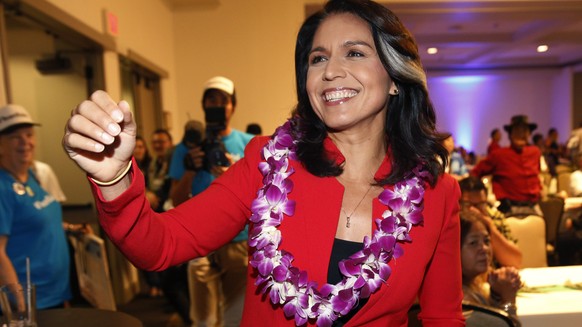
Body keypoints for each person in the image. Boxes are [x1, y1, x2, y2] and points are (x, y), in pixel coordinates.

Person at [61, 0, 464, 325]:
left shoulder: (437, 193)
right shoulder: (269, 164)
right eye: (317, 59)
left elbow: (443, 318)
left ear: (395, 77)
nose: (331, 72)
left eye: (355, 53)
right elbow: (162, 245)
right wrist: (115, 178)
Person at [169, 77, 254, 327]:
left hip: (239, 242)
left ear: (233, 107)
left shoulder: (249, 144)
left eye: (224, 101)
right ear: (203, 105)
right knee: (203, 320)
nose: (218, 105)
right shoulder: (186, 148)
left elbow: (263, 198)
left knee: (236, 318)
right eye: (212, 100)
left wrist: (233, 176)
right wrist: (190, 171)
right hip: (199, 242)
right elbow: (176, 199)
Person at [0, 104, 72, 309]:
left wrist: (71, 229)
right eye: (15, 137)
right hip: (31, 304)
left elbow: (39, 222)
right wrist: (21, 307)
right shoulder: (2, 187)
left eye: (29, 135)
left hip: (55, 294)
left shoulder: (33, 176)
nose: (25, 142)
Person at [471, 115, 543, 216]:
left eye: (524, 131)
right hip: (509, 209)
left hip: (534, 207)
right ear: (510, 134)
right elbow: (475, 173)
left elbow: (537, 174)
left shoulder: (535, 152)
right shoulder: (499, 155)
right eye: (517, 130)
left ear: (529, 134)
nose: (521, 134)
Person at [460, 210, 522, 326]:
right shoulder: (464, 301)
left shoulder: (472, 287)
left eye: (486, 241)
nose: (484, 249)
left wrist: (496, 294)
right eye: (473, 243)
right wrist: (508, 300)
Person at [458, 176, 522, 268]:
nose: (475, 210)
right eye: (468, 204)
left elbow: (515, 261)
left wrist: (490, 227)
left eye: (481, 204)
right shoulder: (454, 222)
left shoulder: (495, 217)